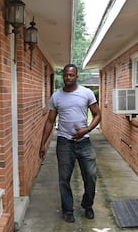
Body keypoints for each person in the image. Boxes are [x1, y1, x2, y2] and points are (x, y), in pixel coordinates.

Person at [39, 64, 101, 223]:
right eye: (66, 75)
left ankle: (88, 205)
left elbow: (98, 115)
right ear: (63, 76)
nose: (68, 78)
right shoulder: (56, 97)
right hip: (64, 142)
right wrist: (43, 144)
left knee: (91, 175)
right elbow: (50, 121)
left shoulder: (86, 93)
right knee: (64, 178)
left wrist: (86, 130)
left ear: (77, 76)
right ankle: (68, 210)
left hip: (84, 142)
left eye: (71, 75)